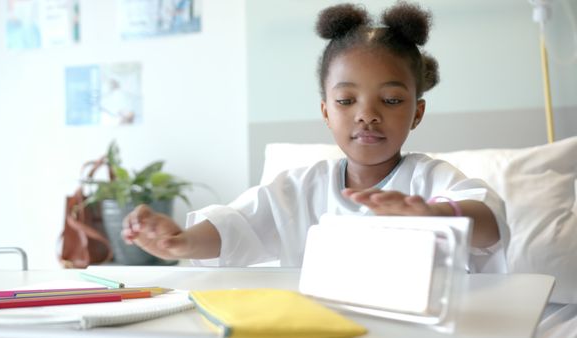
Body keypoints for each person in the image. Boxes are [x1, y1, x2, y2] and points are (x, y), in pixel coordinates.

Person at [121, 1, 509, 273]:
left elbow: (487, 222)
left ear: (417, 113)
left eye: (391, 99)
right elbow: (236, 227)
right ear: (326, 111)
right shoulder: (298, 189)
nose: (367, 114)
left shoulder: (431, 181)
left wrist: (436, 214)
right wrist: (181, 241)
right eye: (346, 100)